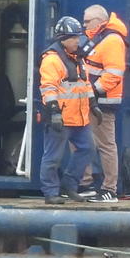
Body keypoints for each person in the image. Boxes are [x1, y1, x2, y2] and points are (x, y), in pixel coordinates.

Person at [37, 17, 96, 205]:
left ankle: (69, 185)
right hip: (60, 118)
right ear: (63, 39)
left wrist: (93, 103)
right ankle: (50, 192)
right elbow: (48, 87)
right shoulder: (52, 60)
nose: (78, 41)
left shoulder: (77, 58)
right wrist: (54, 111)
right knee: (53, 157)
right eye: (74, 38)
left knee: (88, 149)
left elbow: (84, 83)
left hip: (79, 118)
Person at [77, 4, 127, 201]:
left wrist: (94, 92)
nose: (84, 25)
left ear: (99, 21)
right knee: (83, 142)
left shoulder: (112, 40)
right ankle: (85, 184)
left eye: (87, 21)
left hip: (103, 102)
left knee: (106, 145)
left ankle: (109, 189)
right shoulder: (98, 39)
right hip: (90, 100)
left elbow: (114, 73)